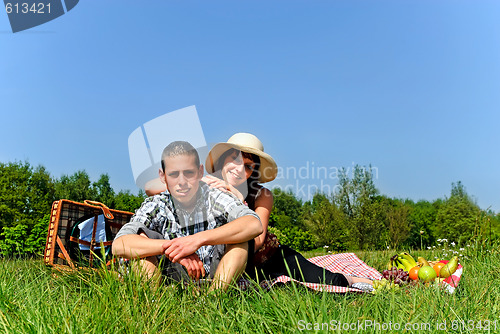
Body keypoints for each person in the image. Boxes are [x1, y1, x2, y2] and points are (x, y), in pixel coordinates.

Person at [148, 133, 373, 289]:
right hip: (222, 260)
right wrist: (197, 179)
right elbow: (151, 187)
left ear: (253, 172)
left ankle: (358, 280)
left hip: (266, 256)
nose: (238, 169)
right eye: (233, 161)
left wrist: (236, 196)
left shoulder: (261, 195)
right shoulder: (202, 184)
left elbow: (257, 240)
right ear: (223, 162)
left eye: (247, 166)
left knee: (327, 280)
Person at [112, 141, 262, 291]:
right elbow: (119, 244)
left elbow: (254, 224)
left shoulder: (215, 196)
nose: (182, 182)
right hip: (172, 276)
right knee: (142, 242)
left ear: (200, 172)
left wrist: (196, 240)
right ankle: (153, 306)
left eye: (189, 173)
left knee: (241, 241)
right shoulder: (157, 203)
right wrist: (175, 247)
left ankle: (214, 302)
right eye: (174, 174)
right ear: (163, 177)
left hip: (216, 273)